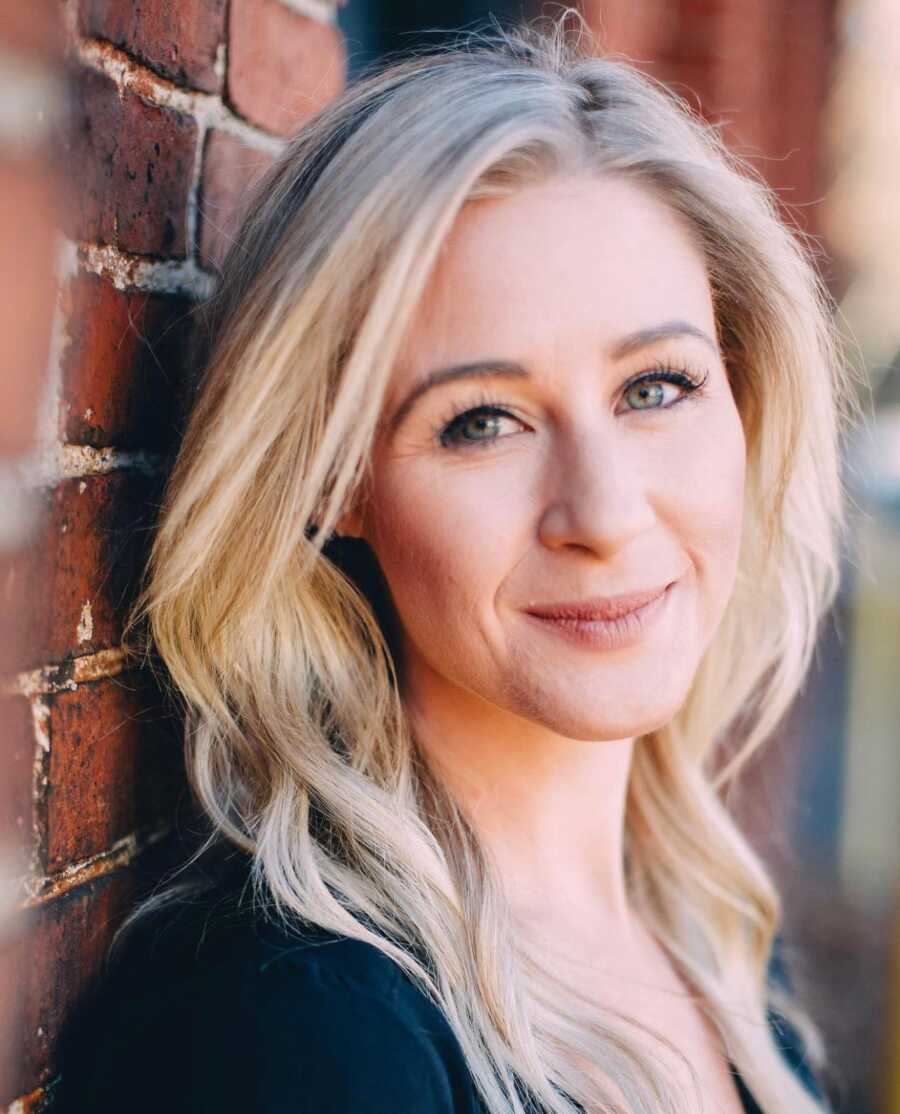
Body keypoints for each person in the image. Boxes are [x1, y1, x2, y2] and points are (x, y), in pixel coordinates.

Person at [60, 14, 854, 1114]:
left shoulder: (713, 944)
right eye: (482, 421)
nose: (607, 514)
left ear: (748, 401)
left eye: (656, 387)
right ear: (332, 480)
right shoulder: (291, 1033)